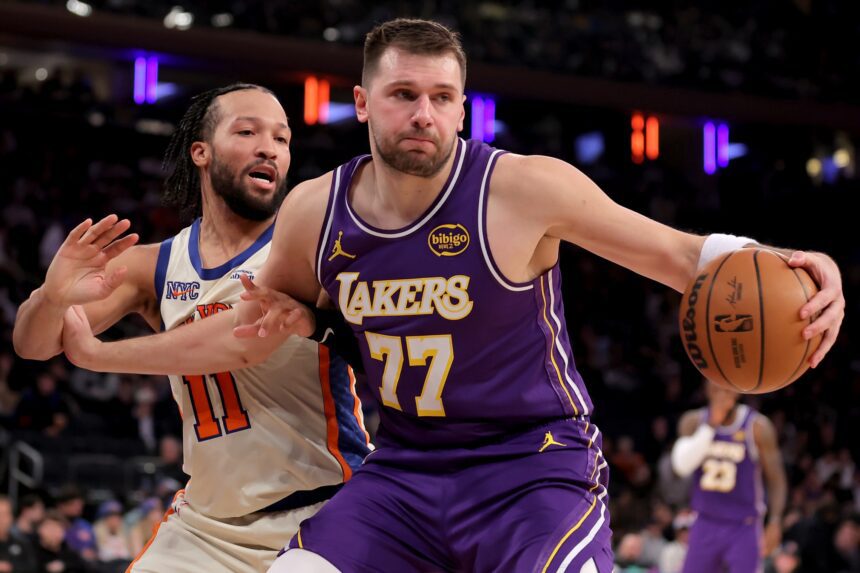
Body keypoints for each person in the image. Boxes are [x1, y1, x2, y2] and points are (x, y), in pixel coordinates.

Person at [58, 18, 845, 573]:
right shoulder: (313, 212)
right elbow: (243, 332)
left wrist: (798, 264)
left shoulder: (524, 188)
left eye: (442, 96)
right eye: (403, 94)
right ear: (362, 105)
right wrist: (111, 352)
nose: (423, 114)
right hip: (402, 470)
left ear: (463, 105)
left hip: (532, 467)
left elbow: (683, 256)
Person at [12, 83, 370, 572]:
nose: (270, 147)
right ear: (201, 151)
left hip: (320, 511)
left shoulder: (303, 249)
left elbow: (237, 344)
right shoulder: (157, 265)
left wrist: (97, 354)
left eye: (283, 139)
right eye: (247, 131)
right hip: (206, 523)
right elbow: (33, 345)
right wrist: (51, 296)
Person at [671, 381, 788, 573]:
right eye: (715, 387)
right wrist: (710, 425)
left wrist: (775, 521)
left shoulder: (757, 426)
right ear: (706, 388)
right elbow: (680, 467)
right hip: (704, 522)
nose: (721, 394)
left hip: (743, 526)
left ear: (738, 391)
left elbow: (776, 480)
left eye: (725, 388)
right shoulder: (693, 421)